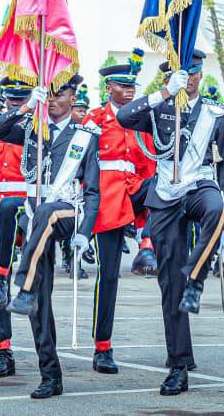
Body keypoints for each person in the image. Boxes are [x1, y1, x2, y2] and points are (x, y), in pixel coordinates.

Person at [115, 50, 224, 397]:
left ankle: (197, 276)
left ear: (200, 75)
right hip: (165, 193)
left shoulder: (214, 113)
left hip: (199, 186)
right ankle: (179, 364)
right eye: (183, 74)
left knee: (215, 209)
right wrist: (164, 92)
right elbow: (123, 116)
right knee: (170, 285)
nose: (190, 79)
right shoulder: (160, 106)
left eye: (194, 73)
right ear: (172, 76)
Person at [0, 73, 100, 400]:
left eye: (59, 94)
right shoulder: (33, 129)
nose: (52, 100)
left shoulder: (85, 136)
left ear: (73, 97)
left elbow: (93, 191)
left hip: (67, 212)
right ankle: (50, 375)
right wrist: (26, 108)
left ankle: (20, 285)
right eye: (48, 94)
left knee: (48, 212)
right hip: (36, 219)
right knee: (40, 302)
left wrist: (85, 233)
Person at [83, 51, 159, 374]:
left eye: (132, 86)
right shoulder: (95, 119)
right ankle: (102, 346)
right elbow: (81, 162)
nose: (129, 91)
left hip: (135, 189)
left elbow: (150, 163)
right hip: (107, 199)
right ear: (109, 87)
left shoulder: (141, 120)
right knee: (109, 275)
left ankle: (146, 246)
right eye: (122, 86)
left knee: (162, 187)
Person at [0, 77, 33, 379]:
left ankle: (46, 350)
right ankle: (3, 350)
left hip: (27, 211)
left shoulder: (39, 129)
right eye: (11, 98)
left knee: (34, 284)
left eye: (21, 98)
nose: (15, 102)